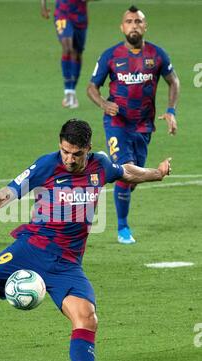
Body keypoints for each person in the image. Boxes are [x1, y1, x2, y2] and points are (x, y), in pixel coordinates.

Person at [0, 119, 172, 361]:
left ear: (89, 149)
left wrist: (156, 173)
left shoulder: (101, 165)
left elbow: (126, 172)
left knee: (87, 317)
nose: (70, 159)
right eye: (65, 151)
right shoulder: (46, 165)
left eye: (77, 154)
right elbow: (1, 198)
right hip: (30, 248)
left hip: (67, 264)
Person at [87, 5, 180, 245]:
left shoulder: (158, 55)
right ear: (122, 27)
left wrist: (171, 111)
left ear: (145, 26)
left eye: (138, 21)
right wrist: (103, 104)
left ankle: (125, 200)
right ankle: (123, 228)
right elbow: (91, 88)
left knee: (134, 176)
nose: (134, 25)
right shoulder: (110, 55)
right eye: (129, 21)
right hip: (117, 123)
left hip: (144, 126)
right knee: (124, 173)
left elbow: (174, 82)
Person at [41, 0, 90, 109]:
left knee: (77, 53)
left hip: (80, 18)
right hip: (62, 14)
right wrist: (43, 7)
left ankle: (72, 90)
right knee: (67, 48)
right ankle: (68, 91)